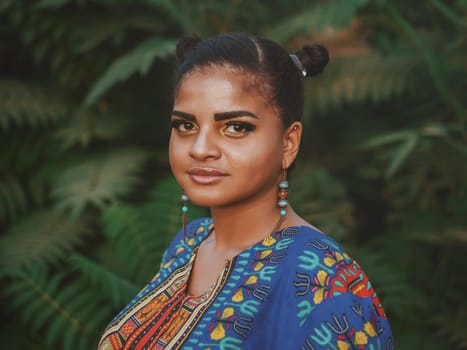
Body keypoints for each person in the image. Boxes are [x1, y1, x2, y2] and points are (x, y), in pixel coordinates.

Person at [98, 32, 393, 350]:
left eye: (235, 127)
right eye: (186, 125)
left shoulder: (321, 278)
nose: (200, 149)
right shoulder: (189, 244)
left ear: (288, 143)